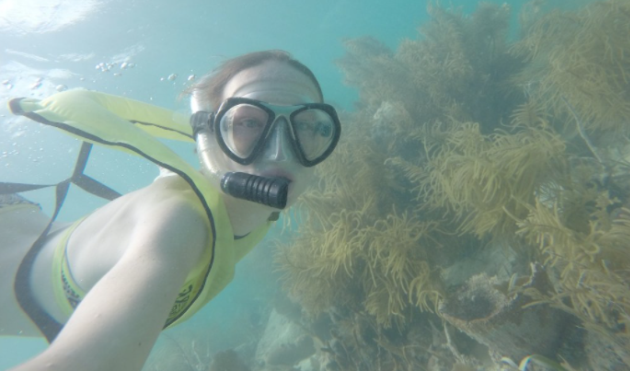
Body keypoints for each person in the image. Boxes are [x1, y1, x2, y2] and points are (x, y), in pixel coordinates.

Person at [0, 50, 341, 371]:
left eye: (308, 126)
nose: (282, 151)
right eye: (250, 122)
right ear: (209, 137)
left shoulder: (254, 207)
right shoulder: (180, 223)